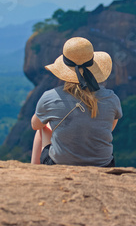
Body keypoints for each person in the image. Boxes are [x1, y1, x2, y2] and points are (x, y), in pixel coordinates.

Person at [30, 37, 122, 167]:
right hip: (104, 165)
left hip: (59, 164)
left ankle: (34, 171)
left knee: (43, 127)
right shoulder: (112, 98)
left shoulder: (50, 97)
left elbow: (35, 125)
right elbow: (109, 128)